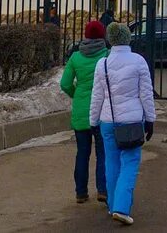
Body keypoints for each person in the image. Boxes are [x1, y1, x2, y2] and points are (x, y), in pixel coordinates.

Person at [90, 23, 157, 226]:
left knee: (111, 162)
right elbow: (146, 93)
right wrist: (150, 119)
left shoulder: (102, 64)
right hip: (131, 121)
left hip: (107, 121)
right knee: (130, 163)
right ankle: (121, 207)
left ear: (110, 40)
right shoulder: (138, 61)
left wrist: (93, 120)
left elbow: (97, 96)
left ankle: (112, 204)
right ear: (128, 38)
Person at [60, 20, 109, 204]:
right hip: (101, 110)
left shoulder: (75, 57)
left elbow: (64, 84)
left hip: (81, 111)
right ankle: (102, 189)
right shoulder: (106, 55)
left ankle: (81, 192)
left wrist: (77, 95)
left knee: (82, 152)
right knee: (102, 152)